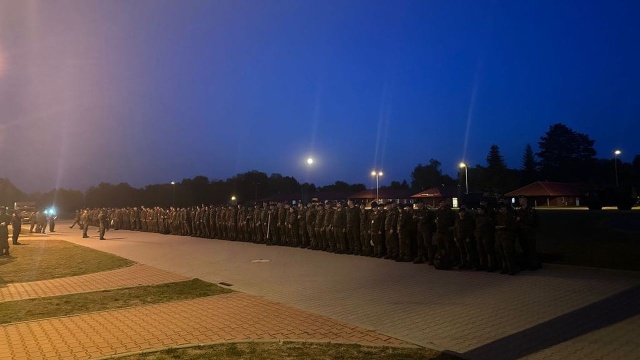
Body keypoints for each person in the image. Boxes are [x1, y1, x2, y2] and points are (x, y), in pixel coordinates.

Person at [516, 197, 541, 270]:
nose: (519, 201)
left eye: (520, 200)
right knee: (525, 249)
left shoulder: (530, 210)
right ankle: (526, 264)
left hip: (529, 233)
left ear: (524, 200)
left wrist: (521, 219)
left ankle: (534, 265)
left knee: (531, 249)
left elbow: (531, 221)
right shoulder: (519, 210)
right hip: (521, 233)